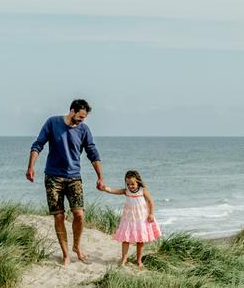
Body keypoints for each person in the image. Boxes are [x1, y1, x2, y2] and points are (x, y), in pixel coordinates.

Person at [26, 99, 104, 266]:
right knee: (59, 216)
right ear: (72, 111)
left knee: (79, 215)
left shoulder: (83, 129)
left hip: (74, 177)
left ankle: (77, 246)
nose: (82, 120)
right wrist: (31, 167)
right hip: (53, 177)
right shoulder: (53, 122)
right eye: (80, 116)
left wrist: (100, 177)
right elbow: (38, 144)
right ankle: (66, 253)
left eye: (84, 118)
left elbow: (93, 153)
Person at [99, 170, 162, 269]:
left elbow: (150, 202)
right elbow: (114, 191)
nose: (130, 186)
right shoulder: (126, 191)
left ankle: (139, 260)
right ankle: (124, 258)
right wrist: (104, 188)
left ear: (138, 182)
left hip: (141, 218)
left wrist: (151, 214)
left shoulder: (142, 190)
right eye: (128, 184)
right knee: (125, 239)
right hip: (128, 219)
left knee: (140, 240)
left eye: (132, 184)